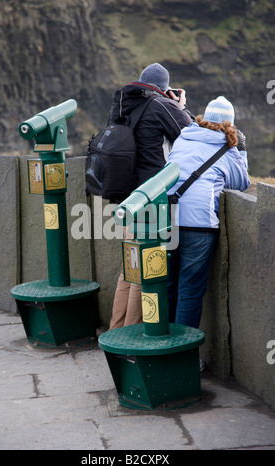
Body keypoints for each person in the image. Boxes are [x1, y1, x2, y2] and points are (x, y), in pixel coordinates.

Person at [109, 63, 194, 330]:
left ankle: (115, 330)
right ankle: (132, 335)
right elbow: (190, 134)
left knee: (128, 270)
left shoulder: (123, 105)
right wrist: (179, 106)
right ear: (164, 88)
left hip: (127, 198)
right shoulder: (160, 105)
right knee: (144, 272)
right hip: (150, 199)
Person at [167, 96, 250, 332]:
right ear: (230, 123)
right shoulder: (226, 148)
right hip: (198, 225)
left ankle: (162, 347)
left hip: (166, 218)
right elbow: (241, 183)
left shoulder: (184, 137)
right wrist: (240, 150)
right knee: (190, 292)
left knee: (168, 286)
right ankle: (182, 354)